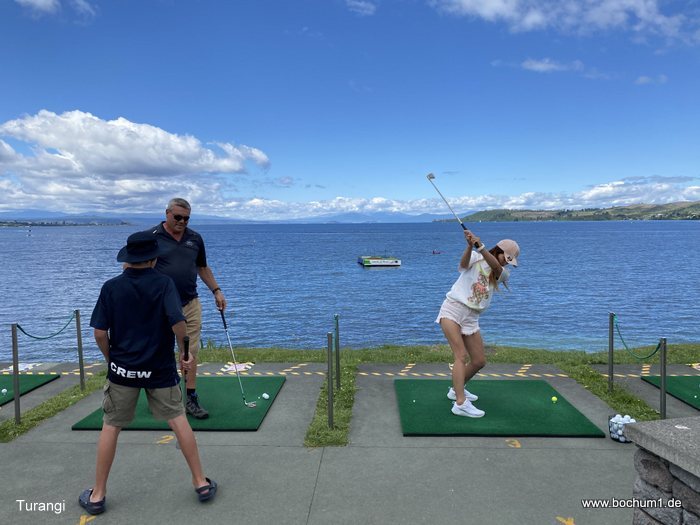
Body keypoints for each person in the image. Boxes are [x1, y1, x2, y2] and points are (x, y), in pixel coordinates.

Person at [79, 231, 217, 515]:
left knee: (111, 426)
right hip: (159, 368)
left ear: (128, 259)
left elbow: (100, 333)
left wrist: (111, 359)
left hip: (122, 370)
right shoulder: (164, 284)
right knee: (178, 420)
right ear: (154, 259)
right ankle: (200, 482)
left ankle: (98, 495)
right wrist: (185, 352)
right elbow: (178, 324)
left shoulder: (111, 287)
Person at [145, 198, 227, 419]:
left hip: (190, 304)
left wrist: (216, 290)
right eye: (178, 217)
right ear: (167, 213)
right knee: (160, 351)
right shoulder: (151, 237)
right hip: (160, 306)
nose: (182, 221)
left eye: (186, 218)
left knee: (190, 352)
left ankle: (190, 397)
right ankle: (160, 396)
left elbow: (202, 267)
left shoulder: (195, 238)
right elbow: (132, 267)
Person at [435, 230, 520, 418]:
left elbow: (496, 267)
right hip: (453, 309)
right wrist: (469, 246)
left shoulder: (502, 273)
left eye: (509, 260)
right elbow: (462, 265)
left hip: (472, 317)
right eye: (505, 258)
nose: (506, 262)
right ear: (498, 250)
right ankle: (460, 403)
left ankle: (456, 389)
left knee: (479, 361)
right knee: (460, 355)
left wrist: (480, 246)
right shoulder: (475, 257)